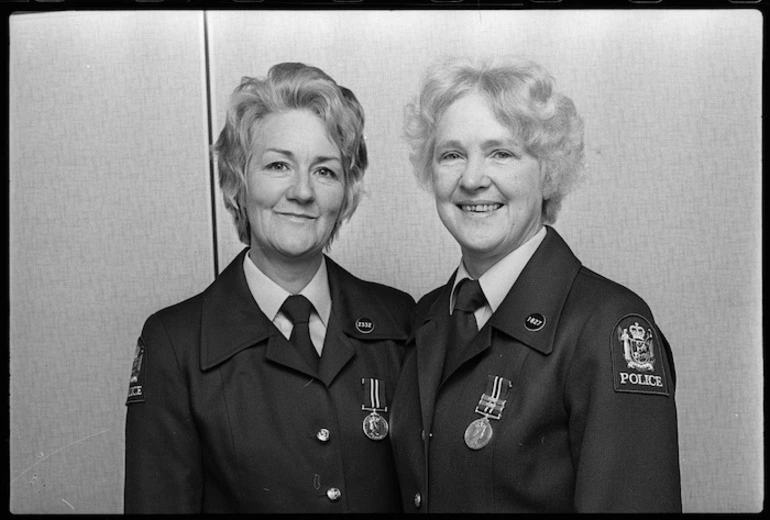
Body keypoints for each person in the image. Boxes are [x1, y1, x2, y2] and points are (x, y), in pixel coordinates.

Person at [389, 56, 681, 513]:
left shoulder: (607, 326)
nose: (471, 179)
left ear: (548, 173)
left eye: (501, 153)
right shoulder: (428, 316)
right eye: (451, 155)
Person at [124, 62, 415, 513]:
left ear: (347, 193)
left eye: (325, 171)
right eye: (278, 165)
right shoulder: (174, 344)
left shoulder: (399, 320)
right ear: (237, 181)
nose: (302, 191)